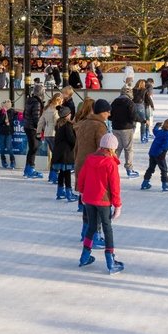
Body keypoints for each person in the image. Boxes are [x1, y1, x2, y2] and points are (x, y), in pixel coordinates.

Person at [77, 133, 124, 274]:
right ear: (112, 149)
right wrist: (117, 205)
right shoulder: (111, 163)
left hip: (89, 200)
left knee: (91, 226)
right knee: (107, 228)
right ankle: (110, 260)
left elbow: (82, 177)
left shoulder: (90, 158)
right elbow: (115, 186)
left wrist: (82, 193)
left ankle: (84, 257)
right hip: (103, 201)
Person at [74, 99, 111, 247]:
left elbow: (76, 148)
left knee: (87, 202)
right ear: (102, 111)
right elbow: (102, 151)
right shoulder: (99, 127)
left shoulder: (83, 124)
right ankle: (95, 236)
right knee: (98, 202)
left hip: (81, 166)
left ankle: (85, 233)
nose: (109, 114)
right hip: (94, 169)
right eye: (108, 111)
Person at [140, 119, 168, 191]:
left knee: (151, 168)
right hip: (159, 154)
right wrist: (163, 153)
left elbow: (155, 131)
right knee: (164, 169)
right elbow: (166, 145)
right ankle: (165, 184)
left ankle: (145, 183)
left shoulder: (160, 132)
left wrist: (156, 126)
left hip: (152, 153)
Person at [109, 90, 139, 178]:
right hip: (127, 128)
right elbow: (133, 116)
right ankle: (129, 169)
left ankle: (112, 167)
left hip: (115, 128)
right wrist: (143, 120)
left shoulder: (114, 102)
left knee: (116, 149)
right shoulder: (130, 103)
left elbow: (110, 116)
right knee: (128, 149)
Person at [52, 106, 78, 201]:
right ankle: (68, 193)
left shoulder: (58, 124)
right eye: (70, 113)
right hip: (66, 153)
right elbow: (71, 139)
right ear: (67, 115)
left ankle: (60, 191)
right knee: (67, 173)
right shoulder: (68, 125)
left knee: (62, 173)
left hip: (59, 153)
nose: (71, 115)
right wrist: (76, 143)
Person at [38, 93, 62, 182]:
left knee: (54, 155)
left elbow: (41, 121)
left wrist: (38, 131)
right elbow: (57, 123)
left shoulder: (46, 108)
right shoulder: (55, 110)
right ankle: (53, 175)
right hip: (54, 134)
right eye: (61, 101)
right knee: (56, 155)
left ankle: (52, 175)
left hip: (47, 134)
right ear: (58, 100)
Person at [0, 100, 17, 170]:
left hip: (9, 132)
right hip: (1, 132)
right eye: (3, 106)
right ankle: (3, 159)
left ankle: (12, 160)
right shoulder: (0, 112)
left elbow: (17, 114)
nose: (5, 107)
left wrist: (21, 115)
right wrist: (3, 114)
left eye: (7, 105)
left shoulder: (12, 111)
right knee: (2, 147)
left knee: (8, 147)